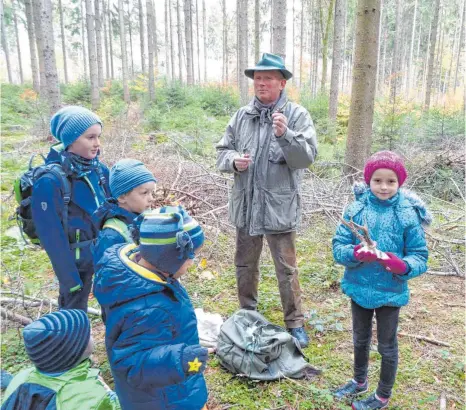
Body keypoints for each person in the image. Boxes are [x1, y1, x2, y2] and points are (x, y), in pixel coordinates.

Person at [216, 52, 318, 348]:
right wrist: (234, 160)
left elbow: (305, 159)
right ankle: (247, 313)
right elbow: (222, 151)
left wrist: (286, 135)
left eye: (268, 78)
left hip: (278, 206)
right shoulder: (241, 116)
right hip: (246, 205)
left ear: (282, 83)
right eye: (258, 78)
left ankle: (295, 322)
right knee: (244, 264)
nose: (261, 83)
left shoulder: (297, 115)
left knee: (286, 268)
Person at [332, 151, 430, 409]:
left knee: (387, 345)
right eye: (377, 180)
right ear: (368, 181)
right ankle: (359, 381)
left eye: (390, 181)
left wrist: (402, 265)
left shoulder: (408, 214)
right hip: (359, 286)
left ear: (400, 183)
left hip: (390, 290)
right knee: (360, 339)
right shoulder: (356, 209)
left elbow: (420, 256)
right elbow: (338, 247)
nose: (384, 187)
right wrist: (354, 253)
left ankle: (383, 395)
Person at [94, 206, 208, 410]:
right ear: (170, 258)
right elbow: (131, 362)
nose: (193, 263)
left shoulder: (146, 278)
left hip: (169, 388)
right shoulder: (147, 308)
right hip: (162, 399)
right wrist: (182, 360)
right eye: (192, 256)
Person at [31, 106, 110, 311]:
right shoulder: (50, 181)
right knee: (74, 313)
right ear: (71, 140)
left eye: (98, 136)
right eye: (90, 137)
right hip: (77, 263)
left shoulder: (99, 170)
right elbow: (51, 236)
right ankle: (75, 342)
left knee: (114, 305)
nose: (97, 144)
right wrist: (69, 280)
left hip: (105, 253)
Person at [1, 309, 121, 410]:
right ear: (76, 350)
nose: (92, 335)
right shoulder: (92, 397)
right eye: (88, 334)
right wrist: (110, 394)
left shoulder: (21, 378)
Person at [92, 158, 157, 266]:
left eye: (152, 193)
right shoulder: (111, 235)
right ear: (122, 197)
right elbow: (105, 275)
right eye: (144, 193)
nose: (151, 199)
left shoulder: (144, 219)